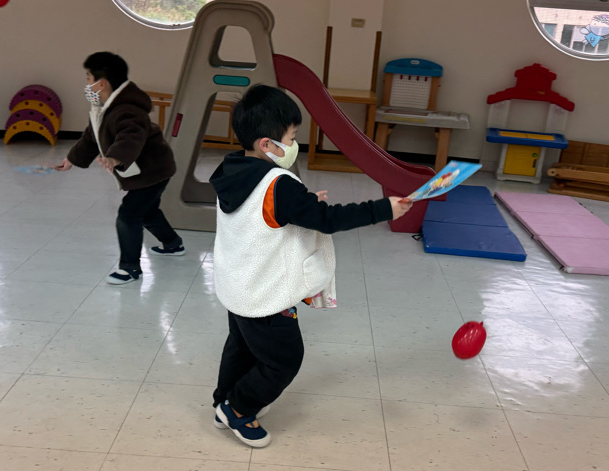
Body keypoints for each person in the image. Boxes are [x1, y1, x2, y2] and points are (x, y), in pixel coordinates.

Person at [209, 85, 413, 447]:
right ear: (266, 144)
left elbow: (261, 215)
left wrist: (299, 204)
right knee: (284, 359)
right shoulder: (279, 185)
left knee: (241, 347)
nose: (294, 144)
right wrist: (384, 209)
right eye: (290, 138)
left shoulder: (233, 170)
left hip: (237, 286)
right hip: (265, 294)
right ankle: (238, 408)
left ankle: (222, 402)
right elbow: (328, 219)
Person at [54, 52, 184, 285]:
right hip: (150, 170)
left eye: (88, 78)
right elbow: (91, 136)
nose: (87, 84)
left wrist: (115, 157)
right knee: (148, 212)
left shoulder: (127, 109)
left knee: (129, 215)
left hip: (153, 171)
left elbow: (131, 136)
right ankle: (173, 244)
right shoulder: (105, 107)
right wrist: (71, 159)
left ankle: (130, 268)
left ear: (101, 83)